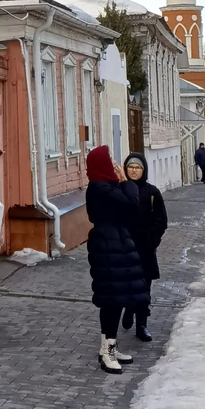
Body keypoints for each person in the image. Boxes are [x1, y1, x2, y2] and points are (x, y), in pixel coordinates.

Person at [85, 146, 148, 374]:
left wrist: (121, 184)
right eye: (109, 158)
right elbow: (132, 204)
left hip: (115, 241)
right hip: (108, 244)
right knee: (111, 299)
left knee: (116, 296)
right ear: (101, 164)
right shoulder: (100, 188)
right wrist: (126, 182)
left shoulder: (105, 186)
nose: (114, 162)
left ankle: (108, 347)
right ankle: (107, 351)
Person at [120, 152, 167, 341]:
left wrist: (152, 240)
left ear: (144, 170)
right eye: (130, 167)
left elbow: (161, 220)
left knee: (144, 286)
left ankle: (142, 324)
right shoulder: (120, 189)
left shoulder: (152, 192)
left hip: (145, 248)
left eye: (137, 167)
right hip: (124, 248)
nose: (134, 170)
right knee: (125, 284)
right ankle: (128, 308)